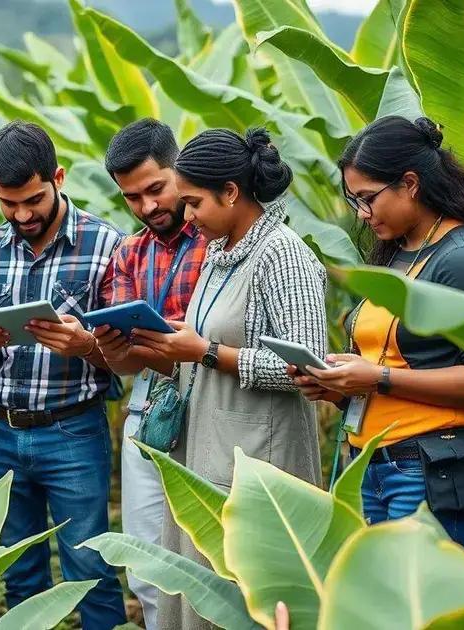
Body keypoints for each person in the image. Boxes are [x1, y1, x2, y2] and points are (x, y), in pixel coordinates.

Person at [131, 127, 327, 630]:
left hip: (261, 459)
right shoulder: (220, 253)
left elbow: (307, 367)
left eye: (194, 203)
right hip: (208, 447)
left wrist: (207, 352)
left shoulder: (283, 255)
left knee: (250, 596)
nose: (187, 216)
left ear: (232, 192)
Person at [291, 116, 464, 554]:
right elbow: (391, 366)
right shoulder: (398, 254)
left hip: (428, 471)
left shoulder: (462, 260)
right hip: (372, 467)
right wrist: (336, 386)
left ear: (410, 184)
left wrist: (377, 378)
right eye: (355, 200)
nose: (362, 213)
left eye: (368, 198)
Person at [0, 121, 127, 630]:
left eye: (33, 200)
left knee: (90, 565)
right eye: (8, 203)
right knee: (18, 570)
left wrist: (86, 345)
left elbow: (129, 354)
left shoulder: (107, 246)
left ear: (59, 177)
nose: (23, 214)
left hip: (73, 428)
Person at [92, 118, 207, 630]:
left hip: (208, 402)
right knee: (146, 557)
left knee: (206, 552)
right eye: (132, 197)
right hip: (149, 403)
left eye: (156, 189)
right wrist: (110, 345)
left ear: (178, 169)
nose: (146, 207)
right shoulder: (129, 252)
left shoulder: (217, 239)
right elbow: (125, 361)